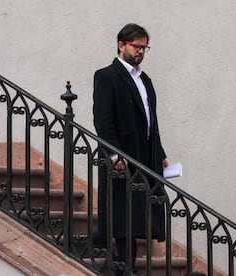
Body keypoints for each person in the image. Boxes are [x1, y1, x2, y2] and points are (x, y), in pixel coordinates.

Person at [93, 23, 168, 275]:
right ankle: (126, 266)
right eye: (137, 46)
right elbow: (103, 121)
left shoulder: (144, 79)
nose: (141, 52)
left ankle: (119, 257)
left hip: (144, 154)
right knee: (123, 213)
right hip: (121, 157)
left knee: (141, 211)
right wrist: (114, 155)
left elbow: (150, 121)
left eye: (145, 47)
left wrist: (161, 152)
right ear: (121, 44)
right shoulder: (106, 76)